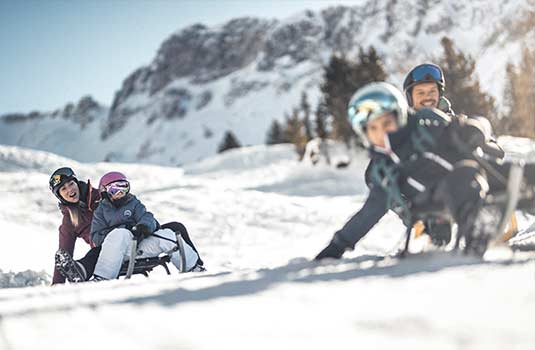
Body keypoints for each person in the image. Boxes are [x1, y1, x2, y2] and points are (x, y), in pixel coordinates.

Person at [315, 82, 535, 260]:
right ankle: (478, 228)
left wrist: (473, 130)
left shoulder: (426, 126)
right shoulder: (383, 171)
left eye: (387, 124)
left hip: (483, 172)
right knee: (461, 177)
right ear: (364, 134)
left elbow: (473, 125)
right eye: (373, 129)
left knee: (524, 174)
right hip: (439, 200)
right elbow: (368, 214)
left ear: (400, 116)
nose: (381, 133)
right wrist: (337, 246)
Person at [402, 63, 505, 244]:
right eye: (421, 93)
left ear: (440, 94)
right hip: (428, 194)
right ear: (410, 99)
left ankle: (488, 224)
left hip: (464, 182)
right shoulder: (407, 132)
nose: (427, 97)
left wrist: (477, 137)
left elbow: (494, 150)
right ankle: (430, 226)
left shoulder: (455, 123)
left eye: (432, 92)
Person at [91, 172, 204, 280]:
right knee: (120, 233)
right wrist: (123, 229)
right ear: (104, 191)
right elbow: (96, 236)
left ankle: (193, 268)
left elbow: (147, 217)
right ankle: (102, 277)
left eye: (124, 188)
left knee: (168, 235)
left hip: (140, 246)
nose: (120, 193)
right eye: (115, 189)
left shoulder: (133, 203)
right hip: (118, 251)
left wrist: (143, 227)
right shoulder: (100, 211)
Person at [49, 167, 101, 284]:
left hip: (123, 238)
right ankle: (79, 270)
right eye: (63, 188)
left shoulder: (99, 197)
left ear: (76, 183)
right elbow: (64, 254)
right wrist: (57, 285)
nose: (69, 189)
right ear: (60, 196)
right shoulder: (70, 220)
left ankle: (81, 269)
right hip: (102, 252)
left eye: (71, 183)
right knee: (97, 252)